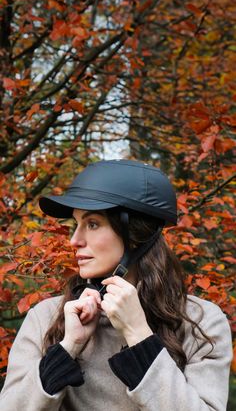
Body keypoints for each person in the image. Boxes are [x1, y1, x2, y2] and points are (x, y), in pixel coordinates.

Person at [0, 159, 232, 411]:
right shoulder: (46, 317)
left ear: (135, 234)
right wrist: (68, 348)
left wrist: (139, 335)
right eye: (75, 225)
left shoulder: (201, 322)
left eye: (92, 224)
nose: (74, 240)